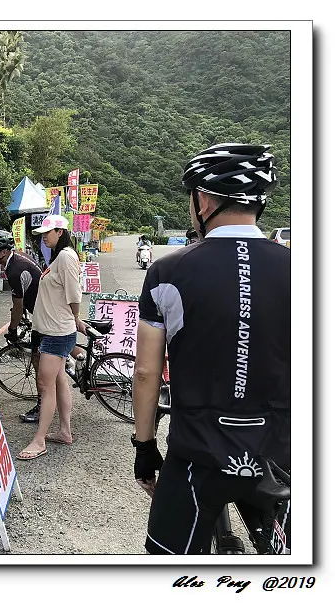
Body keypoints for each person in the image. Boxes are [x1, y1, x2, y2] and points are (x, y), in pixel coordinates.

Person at [131, 143, 290, 554]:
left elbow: (147, 373)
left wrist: (145, 448)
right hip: (281, 449)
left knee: (167, 561)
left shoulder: (167, 272)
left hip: (197, 452)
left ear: (203, 200)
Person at [17, 215, 89, 460]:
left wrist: (76, 318)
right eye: (42, 232)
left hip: (58, 332)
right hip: (54, 329)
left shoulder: (66, 257)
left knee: (45, 386)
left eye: (48, 232)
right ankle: (65, 431)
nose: (44, 236)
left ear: (61, 231)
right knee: (58, 381)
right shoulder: (59, 256)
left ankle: (39, 440)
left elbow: (74, 293)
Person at [0, 230, 43, 423]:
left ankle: (42, 405)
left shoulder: (14, 271)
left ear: (2, 252)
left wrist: (12, 330)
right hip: (47, 310)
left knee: (37, 360)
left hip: (45, 316)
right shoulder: (19, 257)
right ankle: (80, 366)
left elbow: (17, 307)